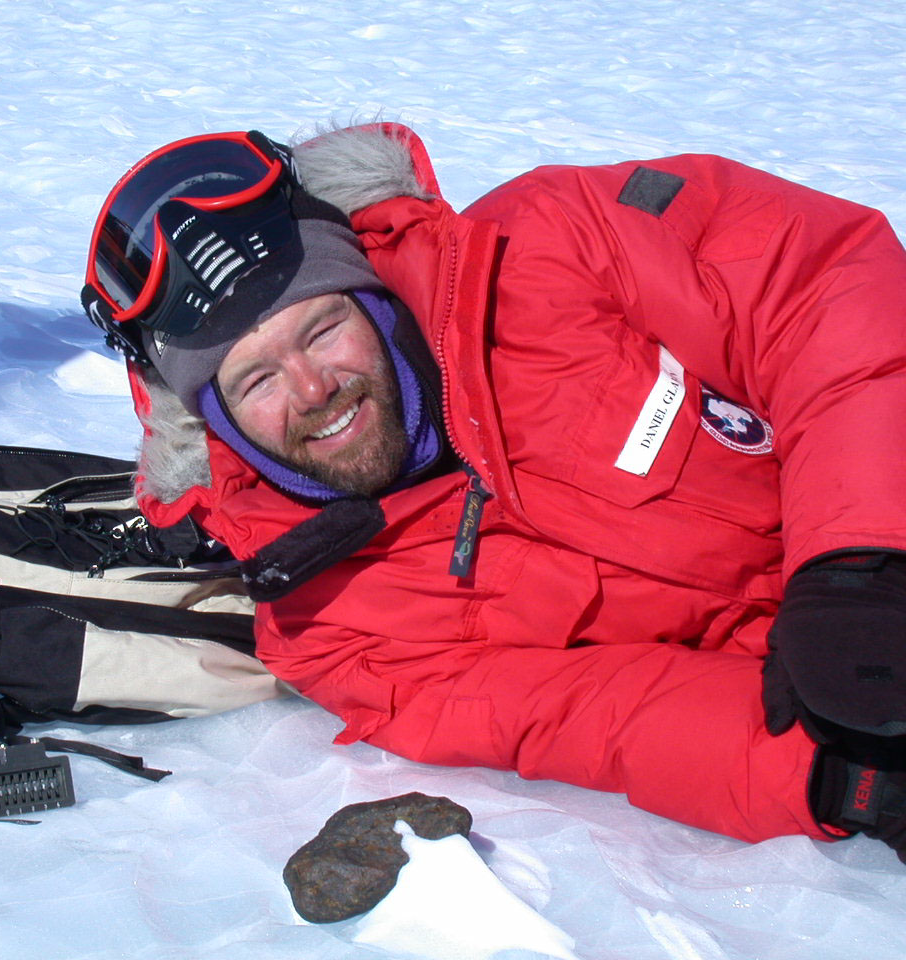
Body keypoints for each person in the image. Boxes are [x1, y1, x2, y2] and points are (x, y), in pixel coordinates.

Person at [80, 122, 906, 857]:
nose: (312, 388)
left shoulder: (547, 242)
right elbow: (593, 717)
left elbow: (816, 285)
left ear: (371, 299)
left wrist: (862, 560)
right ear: (215, 420)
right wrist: (834, 772)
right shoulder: (330, 630)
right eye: (256, 377)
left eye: (324, 329)